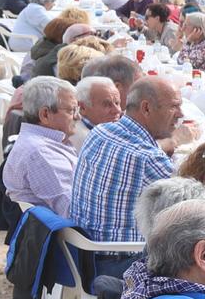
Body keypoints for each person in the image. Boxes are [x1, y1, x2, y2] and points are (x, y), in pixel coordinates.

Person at [72, 77, 187, 243]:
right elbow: (197, 206)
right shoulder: (148, 158)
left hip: (87, 254)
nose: (181, 114)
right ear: (146, 108)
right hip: (122, 260)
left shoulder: (100, 131)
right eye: (174, 106)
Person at [3, 76, 80, 215]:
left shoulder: (42, 143)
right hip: (70, 234)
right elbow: (72, 210)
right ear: (45, 114)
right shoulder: (41, 153)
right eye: (71, 110)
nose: (78, 116)